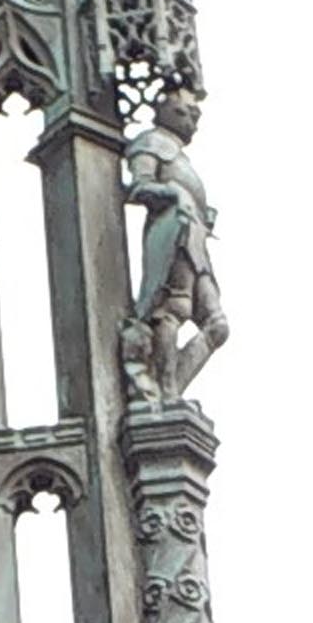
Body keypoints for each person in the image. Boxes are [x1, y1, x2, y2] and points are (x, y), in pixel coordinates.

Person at [123, 84, 228, 402]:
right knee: (172, 309)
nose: (193, 121)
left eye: (196, 115)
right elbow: (138, 188)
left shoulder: (178, 152)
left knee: (217, 325)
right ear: (165, 108)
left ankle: (170, 389)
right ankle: (166, 393)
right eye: (187, 112)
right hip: (173, 231)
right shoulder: (151, 142)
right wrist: (173, 192)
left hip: (194, 236)